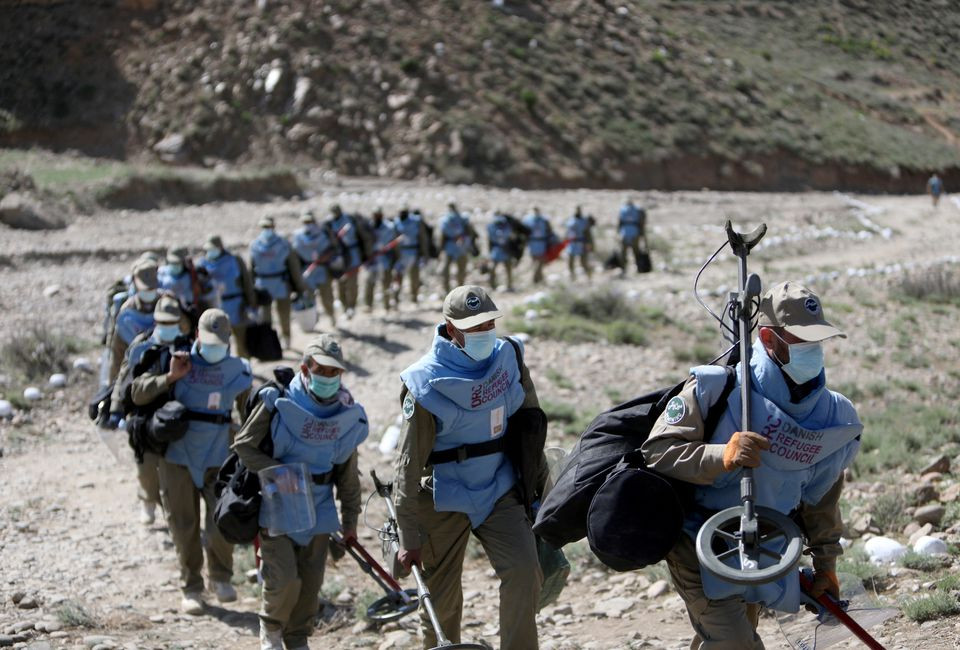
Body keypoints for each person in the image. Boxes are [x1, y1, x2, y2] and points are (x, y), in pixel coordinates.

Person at [642, 282, 862, 650]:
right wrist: (721, 456)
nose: (813, 351)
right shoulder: (716, 390)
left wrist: (826, 564)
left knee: (728, 635)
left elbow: (823, 496)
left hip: (764, 548)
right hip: (697, 543)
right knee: (737, 642)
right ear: (769, 338)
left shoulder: (832, 415)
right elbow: (658, 451)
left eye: (817, 340)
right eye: (801, 341)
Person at [394, 285, 543, 650]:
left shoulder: (508, 356)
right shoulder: (424, 382)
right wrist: (408, 537)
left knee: (526, 573)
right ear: (451, 328)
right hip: (444, 494)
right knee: (441, 598)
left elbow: (531, 427)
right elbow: (408, 466)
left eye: (488, 323)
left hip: (497, 485)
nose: (484, 333)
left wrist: (541, 493)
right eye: (473, 327)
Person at [234, 334, 368, 650]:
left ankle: (296, 638)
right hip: (279, 504)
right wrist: (280, 475)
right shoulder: (277, 404)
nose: (327, 377)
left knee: (309, 587)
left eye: (334, 371)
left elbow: (348, 476)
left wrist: (350, 522)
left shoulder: (346, 416)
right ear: (304, 368)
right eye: (320, 369)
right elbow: (244, 447)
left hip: (320, 509)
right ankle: (271, 629)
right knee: (284, 582)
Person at [131, 308, 253, 615]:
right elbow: (137, 393)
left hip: (219, 459)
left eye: (218, 342)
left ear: (228, 341)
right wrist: (171, 377)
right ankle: (192, 588)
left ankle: (222, 578)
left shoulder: (239, 370)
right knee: (183, 527)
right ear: (197, 335)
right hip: (178, 457)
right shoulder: (175, 359)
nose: (212, 347)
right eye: (207, 340)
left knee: (220, 524)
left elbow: (251, 416)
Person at [108, 295, 189, 525]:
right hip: (144, 415)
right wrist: (116, 409)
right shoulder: (140, 346)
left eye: (171, 321)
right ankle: (147, 501)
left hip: (176, 415)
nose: (167, 326)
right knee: (146, 467)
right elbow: (124, 378)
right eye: (163, 322)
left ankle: (175, 514)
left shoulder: (186, 346)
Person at [249, 216, 307, 349]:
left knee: (284, 314)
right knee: (265, 318)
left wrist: (299, 287)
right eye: (264, 227)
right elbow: (250, 270)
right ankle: (269, 343)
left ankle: (286, 337)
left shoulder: (284, 244)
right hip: (262, 286)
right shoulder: (255, 246)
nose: (266, 230)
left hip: (281, 284)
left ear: (273, 227)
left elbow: (294, 268)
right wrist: (251, 292)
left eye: (268, 227)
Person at [197, 234, 257, 358]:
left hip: (237, 305)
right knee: (220, 342)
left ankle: (244, 367)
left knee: (242, 341)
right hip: (215, 308)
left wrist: (252, 302)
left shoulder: (235, 260)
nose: (210, 252)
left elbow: (247, 282)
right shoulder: (202, 264)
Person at [109, 259, 160, 382]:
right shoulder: (127, 313)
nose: (148, 292)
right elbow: (117, 354)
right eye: (145, 289)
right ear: (135, 284)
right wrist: (113, 386)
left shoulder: (167, 304)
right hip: (134, 375)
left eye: (150, 289)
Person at [292, 211, 338, 328]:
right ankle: (313, 320)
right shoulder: (298, 236)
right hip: (307, 271)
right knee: (309, 298)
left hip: (322, 270)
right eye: (306, 222)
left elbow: (333, 248)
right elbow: (295, 256)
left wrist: (325, 257)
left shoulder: (324, 233)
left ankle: (331, 315)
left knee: (327, 296)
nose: (308, 224)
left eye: (310, 221)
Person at [329, 204, 371, 318]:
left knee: (352, 284)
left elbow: (363, 237)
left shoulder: (350, 220)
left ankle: (352, 306)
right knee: (340, 285)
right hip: (339, 258)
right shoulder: (329, 223)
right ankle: (344, 307)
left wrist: (366, 254)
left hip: (353, 256)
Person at [363, 208, 399, 312]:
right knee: (369, 283)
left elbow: (394, 245)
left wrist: (394, 259)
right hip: (372, 260)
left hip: (385, 259)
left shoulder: (389, 227)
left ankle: (386, 305)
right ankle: (368, 305)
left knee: (386, 283)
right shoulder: (369, 227)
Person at [394, 208, 429, 305]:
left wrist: (424, 253)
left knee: (414, 277)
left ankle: (414, 297)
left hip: (414, 252)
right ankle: (396, 299)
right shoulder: (396, 223)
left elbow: (422, 238)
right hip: (401, 254)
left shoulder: (416, 221)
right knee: (398, 276)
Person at [439, 203, 474, 293]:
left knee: (459, 270)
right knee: (450, 270)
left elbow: (470, 232)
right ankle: (450, 290)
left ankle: (457, 290)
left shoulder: (462, 219)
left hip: (458, 246)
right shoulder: (447, 220)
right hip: (453, 247)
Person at [522, 207, 553, 285]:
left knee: (541, 261)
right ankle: (539, 279)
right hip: (532, 243)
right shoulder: (528, 220)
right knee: (535, 261)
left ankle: (536, 278)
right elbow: (524, 232)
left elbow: (549, 231)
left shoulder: (544, 220)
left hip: (542, 242)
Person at [486, 212, 515, 291]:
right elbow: (490, 239)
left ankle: (509, 285)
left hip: (505, 250)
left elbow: (510, 237)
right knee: (492, 267)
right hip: (496, 249)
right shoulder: (492, 227)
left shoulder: (507, 226)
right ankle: (492, 285)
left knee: (508, 268)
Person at [618, 198, 647, 275]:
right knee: (636, 252)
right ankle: (639, 269)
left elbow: (620, 222)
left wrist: (618, 233)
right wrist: (642, 234)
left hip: (624, 233)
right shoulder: (638, 210)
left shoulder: (622, 209)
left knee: (624, 252)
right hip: (635, 233)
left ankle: (623, 269)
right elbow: (642, 222)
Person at [565, 206, 593, 280]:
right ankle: (572, 277)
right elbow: (567, 232)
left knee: (583, 262)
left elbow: (588, 234)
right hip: (572, 243)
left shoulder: (584, 221)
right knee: (570, 261)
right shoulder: (570, 220)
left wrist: (589, 244)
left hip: (582, 243)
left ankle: (589, 276)